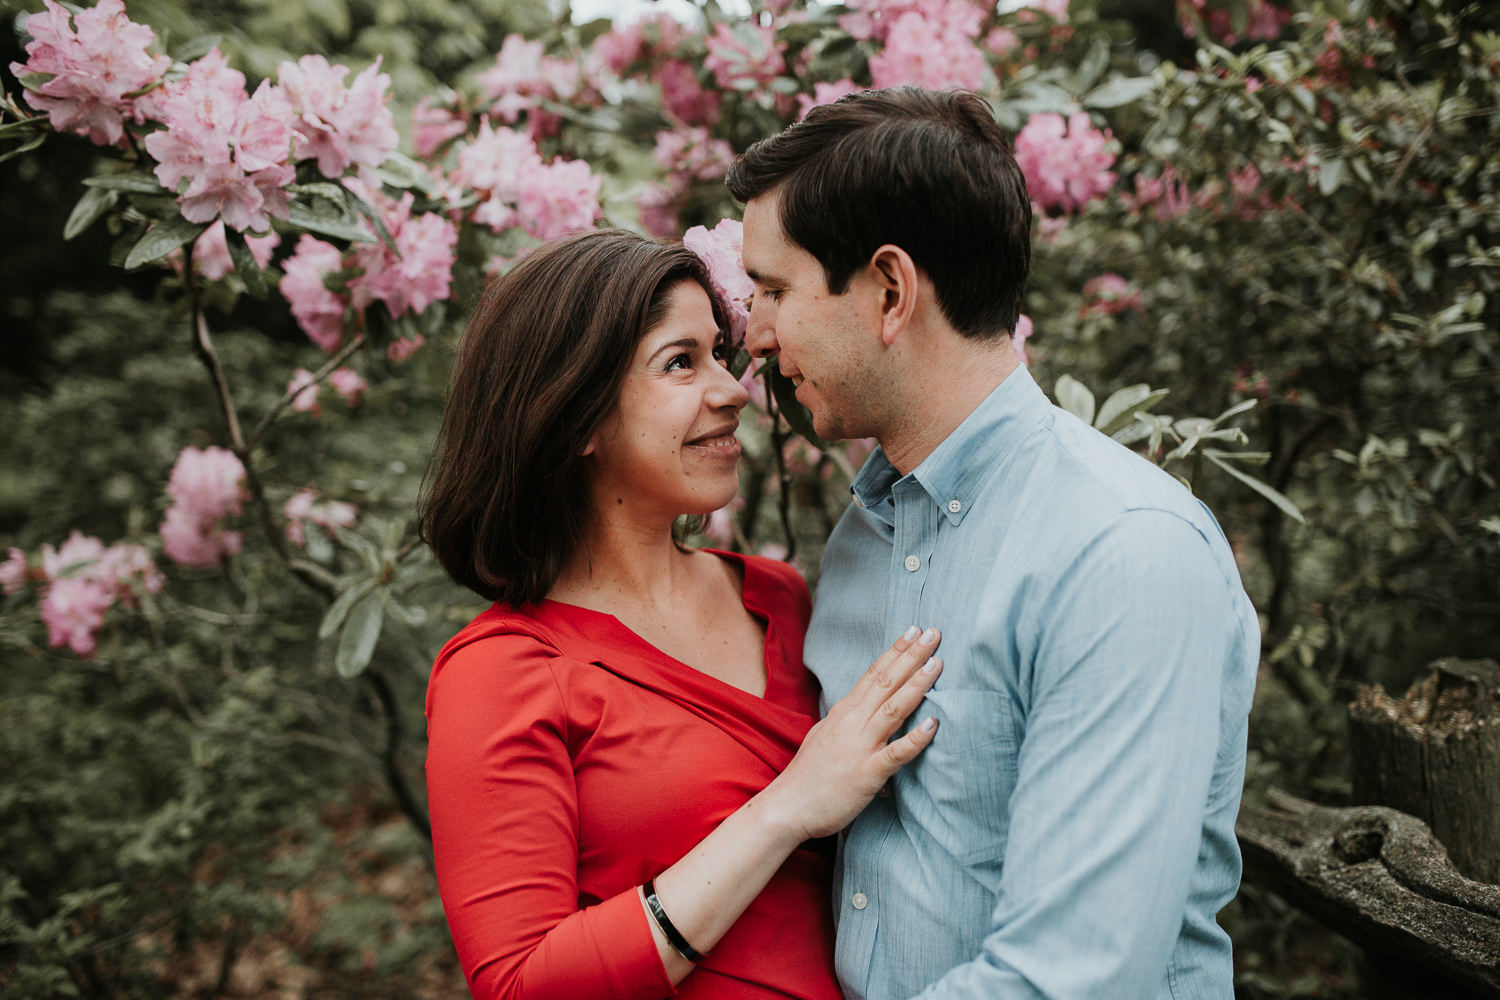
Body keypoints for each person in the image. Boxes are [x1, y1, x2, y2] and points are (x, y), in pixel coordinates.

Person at [726, 87, 1259, 999]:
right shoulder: (865, 537)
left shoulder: (1121, 553)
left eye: (775, 290)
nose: (758, 335)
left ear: (890, 291)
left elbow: (1075, 978)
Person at [419, 229, 947, 1000]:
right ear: (577, 417)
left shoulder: (779, 598)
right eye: (680, 363)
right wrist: (785, 809)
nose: (733, 389)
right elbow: (520, 985)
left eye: (720, 355)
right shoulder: (502, 671)